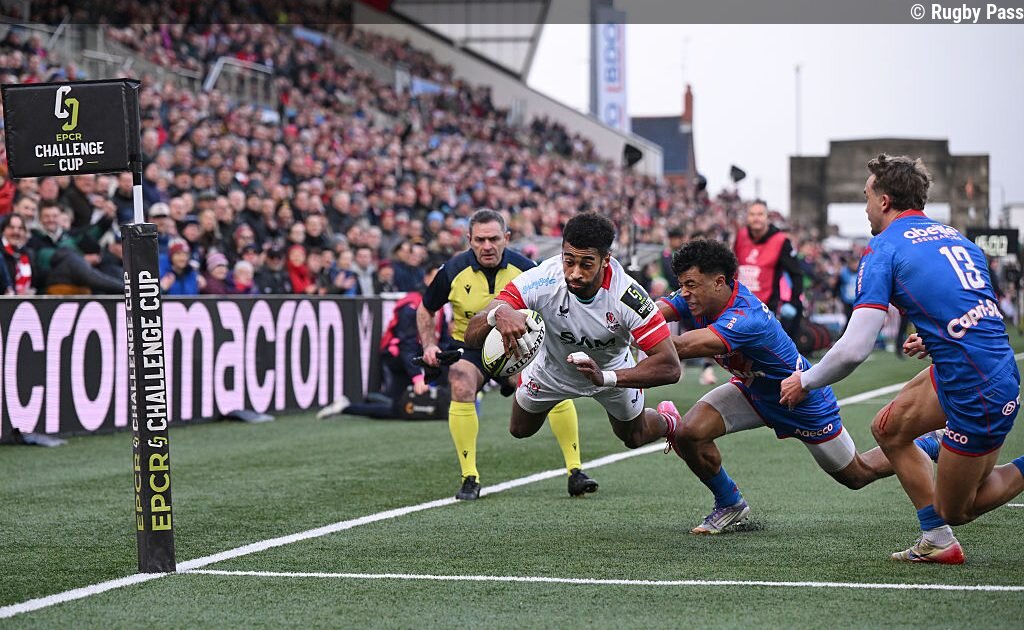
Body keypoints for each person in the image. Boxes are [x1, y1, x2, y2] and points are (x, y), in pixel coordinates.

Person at [780, 154, 1024, 564]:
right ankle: (936, 539)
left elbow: (855, 348)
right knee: (888, 429)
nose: (865, 208)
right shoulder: (955, 237)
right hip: (970, 368)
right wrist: (934, 337)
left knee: (957, 509)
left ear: (885, 200)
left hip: (978, 389)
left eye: (867, 197)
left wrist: (805, 381)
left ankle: (945, 525)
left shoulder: (885, 247)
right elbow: (979, 310)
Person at [652, 238, 912, 534]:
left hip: (799, 397)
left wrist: (634, 332)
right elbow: (652, 314)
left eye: (690, 285)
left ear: (719, 282)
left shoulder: (745, 317)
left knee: (856, 475)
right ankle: (730, 504)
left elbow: (681, 347)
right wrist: (623, 318)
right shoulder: (698, 295)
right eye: (681, 285)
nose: (684, 292)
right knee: (689, 433)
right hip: (753, 390)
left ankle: (929, 443)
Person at [463, 212, 681, 496]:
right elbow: (471, 335)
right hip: (551, 371)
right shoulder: (541, 279)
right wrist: (498, 313)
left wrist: (606, 378)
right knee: (519, 430)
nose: (575, 272)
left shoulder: (628, 296)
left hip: (611, 372)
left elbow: (670, 367)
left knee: (634, 437)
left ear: (605, 259)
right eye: (569, 260)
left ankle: (668, 420)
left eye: (586, 264)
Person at [418, 208, 595, 500]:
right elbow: (426, 309)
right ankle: (469, 477)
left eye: (494, 239)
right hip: (470, 348)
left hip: (517, 348)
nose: (487, 246)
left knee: (553, 386)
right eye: (480, 240)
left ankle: (575, 471)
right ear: (469, 240)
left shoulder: (527, 269)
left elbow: (552, 308)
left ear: (507, 238)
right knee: (460, 382)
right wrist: (428, 345)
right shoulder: (451, 270)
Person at [733, 200, 804, 341]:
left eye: (760, 214)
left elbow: (796, 273)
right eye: (752, 214)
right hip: (739, 306)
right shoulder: (741, 236)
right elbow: (733, 266)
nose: (756, 218)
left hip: (765, 308)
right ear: (747, 217)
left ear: (767, 217)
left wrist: (793, 302)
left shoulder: (780, 241)